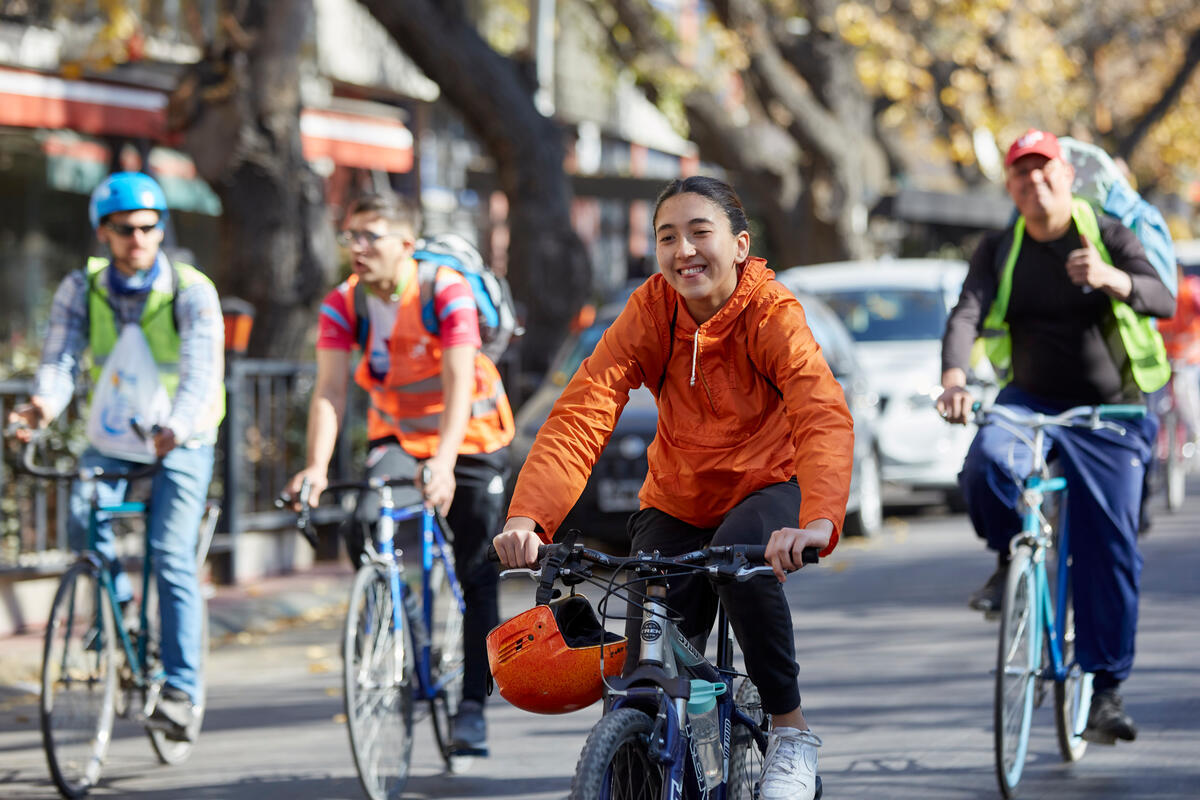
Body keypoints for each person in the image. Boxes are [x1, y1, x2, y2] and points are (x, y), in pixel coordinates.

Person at [493, 176, 854, 800]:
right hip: (677, 495)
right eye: (667, 237)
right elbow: (586, 409)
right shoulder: (651, 311)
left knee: (743, 562)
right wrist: (528, 518)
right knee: (647, 647)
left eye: (699, 233)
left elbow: (820, 411)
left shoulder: (772, 314)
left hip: (769, 482)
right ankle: (643, 757)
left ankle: (792, 735)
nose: (683, 249)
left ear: (739, 246)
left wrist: (819, 519)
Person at [937, 129, 1174, 745]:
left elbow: (1162, 297)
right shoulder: (999, 247)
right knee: (985, 466)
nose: (1034, 182)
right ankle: (1007, 558)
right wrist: (954, 379)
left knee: (1109, 544)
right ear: (1011, 186)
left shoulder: (1106, 233)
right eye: (1022, 174)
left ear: (1067, 176)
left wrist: (1109, 277)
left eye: (1045, 171)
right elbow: (967, 309)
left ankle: (1106, 691)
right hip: (1031, 399)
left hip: (1110, 411)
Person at [286, 193, 513, 756]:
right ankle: (404, 622)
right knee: (362, 522)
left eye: (371, 237)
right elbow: (331, 391)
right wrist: (315, 466)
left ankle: (472, 707)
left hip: (471, 437)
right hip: (398, 436)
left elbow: (460, 382)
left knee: (476, 565)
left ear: (405, 246)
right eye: (351, 237)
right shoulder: (344, 303)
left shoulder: (444, 291)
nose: (357, 249)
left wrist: (443, 460)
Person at [7, 171, 225, 742]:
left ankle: (180, 690)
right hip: (112, 438)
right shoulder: (83, 288)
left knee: (170, 553)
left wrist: (175, 428)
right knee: (82, 514)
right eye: (126, 229)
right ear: (102, 232)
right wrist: (41, 408)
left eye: (151, 227)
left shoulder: (190, 289)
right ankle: (118, 613)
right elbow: (59, 361)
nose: (140, 238)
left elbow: (201, 376)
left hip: (184, 438)